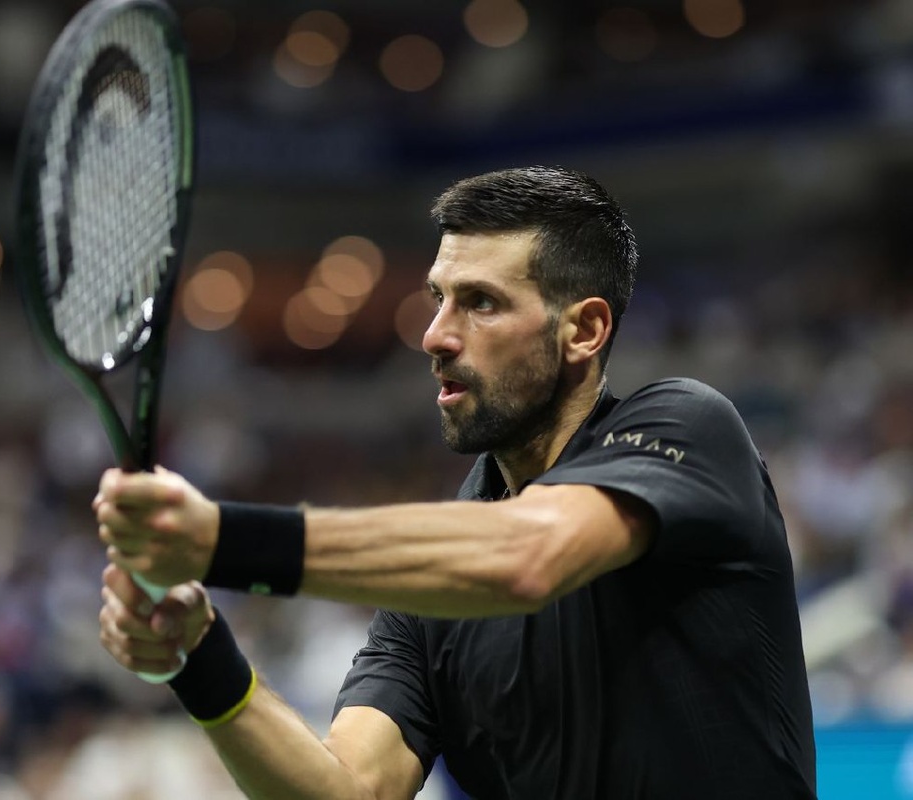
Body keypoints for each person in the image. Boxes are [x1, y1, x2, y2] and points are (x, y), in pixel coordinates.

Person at [93, 166, 817, 799]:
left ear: (584, 330)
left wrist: (222, 543)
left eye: (481, 302)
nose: (434, 334)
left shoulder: (689, 428)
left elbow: (529, 556)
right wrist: (200, 655)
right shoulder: (435, 588)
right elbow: (351, 790)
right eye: (438, 297)